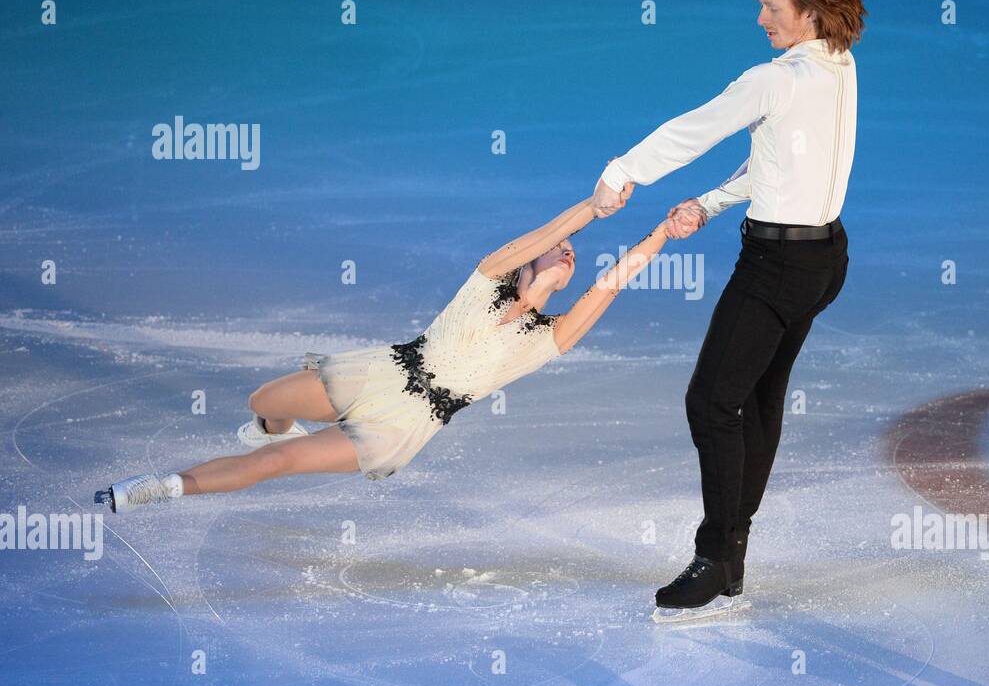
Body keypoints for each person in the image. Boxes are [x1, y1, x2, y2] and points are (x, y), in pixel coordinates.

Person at [95, 183, 673, 512]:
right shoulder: (487, 277)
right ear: (530, 257)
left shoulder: (549, 337)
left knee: (272, 464)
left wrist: (662, 234)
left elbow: (610, 284)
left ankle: (159, 487)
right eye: (560, 249)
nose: (568, 253)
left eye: (573, 253)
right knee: (261, 400)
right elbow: (545, 234)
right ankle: (276, 423)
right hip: (380, 373)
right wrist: (591, 212)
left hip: (404, 421)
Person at [592, 0, 866, 617]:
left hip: (777, 268)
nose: (761, 16)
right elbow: (777, 161)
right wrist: (710, 204)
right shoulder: (838, 66)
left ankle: (716, 556)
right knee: (758, 401)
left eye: (772, 6)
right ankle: (733, 553)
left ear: (809, 9)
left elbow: (696, 127)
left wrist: (622, 170)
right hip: (824, 258)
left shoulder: (773, 80)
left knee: (712, 403)